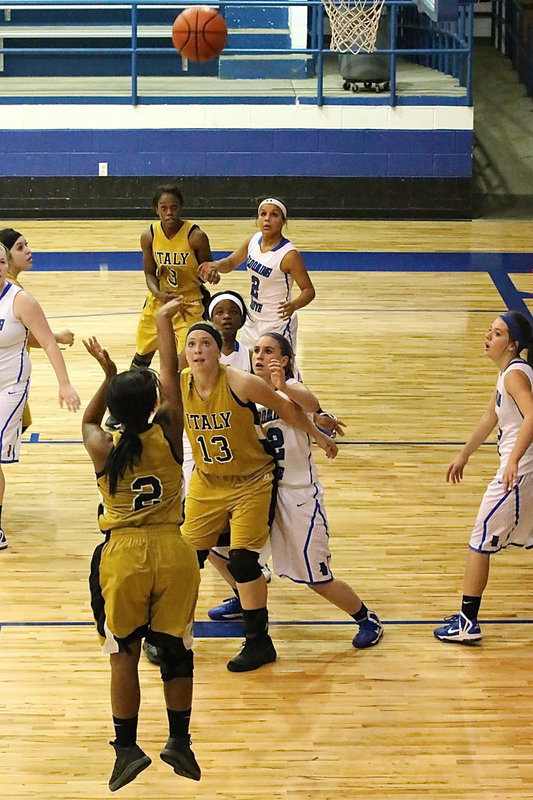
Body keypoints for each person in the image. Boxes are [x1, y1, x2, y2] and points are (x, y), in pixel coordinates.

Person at [158, 300, 337, 673]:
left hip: (251, 482)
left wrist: (318, 434)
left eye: (205, 344)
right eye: (191, 345)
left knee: (243, 561)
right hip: (207, 483)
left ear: (217, 351)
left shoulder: (240, 381)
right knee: (186, 560)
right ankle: (170, 634)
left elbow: (288, 410)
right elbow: (163, 363)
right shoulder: (180, 384)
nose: (198, 350)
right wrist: (162, 319)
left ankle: (259, 643)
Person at [82, 316, 202, 792]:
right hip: (175, 550)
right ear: (155, 406)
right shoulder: (170, 431)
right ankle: (179, 741)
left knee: (123, 655)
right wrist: (163, 323)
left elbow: (90, 419)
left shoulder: (101, 445)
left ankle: (127, 749)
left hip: (123, 556)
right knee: (177, 653)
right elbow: (170, 377)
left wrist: (108, 375)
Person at [208, 332, 383, 648]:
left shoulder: (290, 388)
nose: (260, 355)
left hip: (298, 495)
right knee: (218, 547)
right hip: (259, 492)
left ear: (285, 360)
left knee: (316, 578)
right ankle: (241, 595)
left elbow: (311, 403)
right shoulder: (244, 394)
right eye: (257, 350)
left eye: (269, 351)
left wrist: (286, 388)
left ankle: (365, 617)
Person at [434, 311, 533, 644]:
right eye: (490, 330)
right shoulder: (508, 373)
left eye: (497, 333)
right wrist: (464, 453)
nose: (488, 336)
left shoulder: (515, 375)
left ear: (513, 344)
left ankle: (467, 621)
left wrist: (514, 460)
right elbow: (490, 416)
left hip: (521, 472)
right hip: (522, 469)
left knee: (480, 540)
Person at [106, 184, 212, 429]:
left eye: (174, 207)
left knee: (187, 360)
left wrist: (211, 274)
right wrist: (158, 293)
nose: (169, 212)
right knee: (142, 356)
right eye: (164, 208)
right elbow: (148, 273)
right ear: (156, 210)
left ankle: (175, 406)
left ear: (181, 208)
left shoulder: (195, 236)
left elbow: (207, 268)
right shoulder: (149, 235)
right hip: (158, 302)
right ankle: (127, 407)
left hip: (190, 303)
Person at [0, 243, 79, 551]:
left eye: (2, 262)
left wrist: (65, 385)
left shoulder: (20, 301)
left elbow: (47, 343)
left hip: (11, 385)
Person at [198, 197, 315, 351]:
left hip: (277, 321)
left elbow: (309, 290)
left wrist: (294, 305)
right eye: (263, 214)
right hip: (253, 318)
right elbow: (231, 263)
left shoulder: (289, 255)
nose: (267, 218)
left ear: (283, 221)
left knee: (276, 369)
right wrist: (216, 265)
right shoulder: (254, 240)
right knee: (248, 365)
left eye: (274, 215)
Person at [0, 227, 75, 432]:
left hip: (12, 376)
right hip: (8, 377)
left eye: (27, 245)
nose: (28, 251)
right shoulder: (12, 293)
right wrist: (57, 337)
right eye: (20, 247)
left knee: (20, 425)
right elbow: (27, 337)